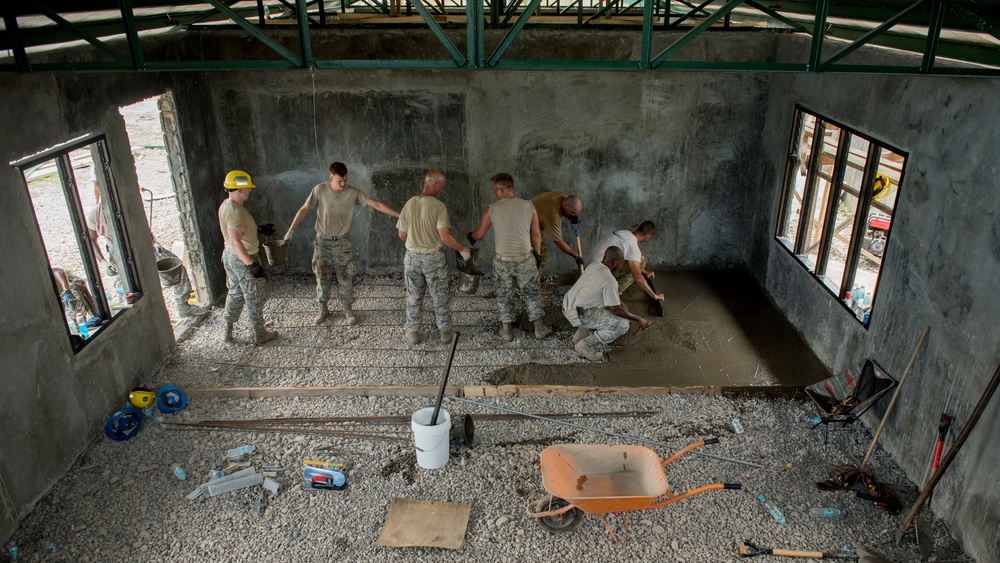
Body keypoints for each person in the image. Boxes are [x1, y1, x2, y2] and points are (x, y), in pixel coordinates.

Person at [284, 162, 400, 326]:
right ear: (331, 178)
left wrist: (400, 215)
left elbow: (377, 204)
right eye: (340, 181)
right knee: (321, 276)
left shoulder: (353, 193)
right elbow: (304, 208)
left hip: (342, 242)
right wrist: (291, 230)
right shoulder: (320, 190)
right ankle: (323, 309)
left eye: (345, 179)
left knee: (345, 276)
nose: (344, 184)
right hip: (322, 242)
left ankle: (347, 309)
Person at [87, 166, 206, 319]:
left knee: (175, 269)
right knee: (127, 290)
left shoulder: (128, 206)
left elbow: (142, 226)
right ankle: (135, 319)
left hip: (142, 244)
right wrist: (103, 262)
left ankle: (184, 306)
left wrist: (154, 243)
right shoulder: (95, 215)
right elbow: (91, 239)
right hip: (118, 255)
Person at [467, 173, 552, 342]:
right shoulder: (529, 206)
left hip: (502, 261)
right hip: (525, 258)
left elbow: (479, 234)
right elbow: (536, 234)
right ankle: (539, 329)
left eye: (495, 190)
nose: (494, 193)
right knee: (532, 293)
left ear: (500, 190)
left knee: (504, 294)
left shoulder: (491, 209)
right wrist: (538, 254)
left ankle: (507, 332)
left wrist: (471, 236)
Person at [396, 170, 472, 345]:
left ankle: (413, 332)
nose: (442, 190)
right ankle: (445, 332)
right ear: (436, 184)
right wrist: (462, 249)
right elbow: (444, 236)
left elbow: (401, 234)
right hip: (433, 259)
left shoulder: (409, 204)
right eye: (442, 186)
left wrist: (415, 243)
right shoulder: (438, 206)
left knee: (414, 294)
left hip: (412, 258)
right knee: (439, 295)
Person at [218, 170, 277, 344]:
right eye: (248, 188)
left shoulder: (227, 205)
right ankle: (260, 333)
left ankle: (227, 330)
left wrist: (257, 229)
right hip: (241, 258)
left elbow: (236, 232)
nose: (250, 190)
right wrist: (251, 264)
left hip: (229, 255)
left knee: (236, 292)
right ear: (239, 189)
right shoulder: (236, 213)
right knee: (253, 295)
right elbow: (236, 241)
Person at [562, 246, 649, 361]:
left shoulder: (594, 266)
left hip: (568, 305)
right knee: (622, 324)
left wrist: (623, 308)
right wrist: (637, 319)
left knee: (602, 302)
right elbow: (615, 309)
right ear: (615, 262)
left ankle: (580, 335)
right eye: (620, 263)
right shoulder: (609, 280)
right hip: (578, 314)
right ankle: (586, 345)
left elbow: (613, 299)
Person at [587, 221, 664, 300]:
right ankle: (612, 292)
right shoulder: (633, 247)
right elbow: (637, 276)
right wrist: (654, 295)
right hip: (598, 277)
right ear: (648, 236)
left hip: (588, 269)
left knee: (634, 261)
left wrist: (643, 271)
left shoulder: (624, 233)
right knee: (641, 261)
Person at [530, 191, 585, 277]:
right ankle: (531, 283)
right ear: (566, 205)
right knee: (536, 260)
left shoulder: (562, 196)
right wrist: (576, 256)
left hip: (534, 223)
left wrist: (570, 216)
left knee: (541, 257)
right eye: (573, 212)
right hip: (524, 228)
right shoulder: (552, 215)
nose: (574, 215)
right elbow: (558, 241)